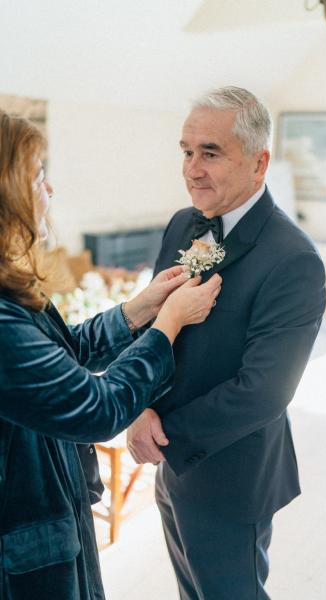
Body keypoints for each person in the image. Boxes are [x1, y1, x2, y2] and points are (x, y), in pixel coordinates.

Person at [0, 109, 222, 600]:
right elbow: (96, 409)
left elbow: (65, 353)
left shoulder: (9, 288)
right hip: (21, 553)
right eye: (38, 177)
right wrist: (168, 325)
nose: (49, 190)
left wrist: (138, 309)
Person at [127, 86, 326, 599]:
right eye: (187, 151)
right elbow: (159, 326)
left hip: (231, 480)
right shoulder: (181, 223)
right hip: (172, 470)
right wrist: (142, 404)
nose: (192, 168)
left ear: (259, 164)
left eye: (210, 153)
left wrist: (161, 432)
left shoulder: (293, 259)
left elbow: (263, 391)